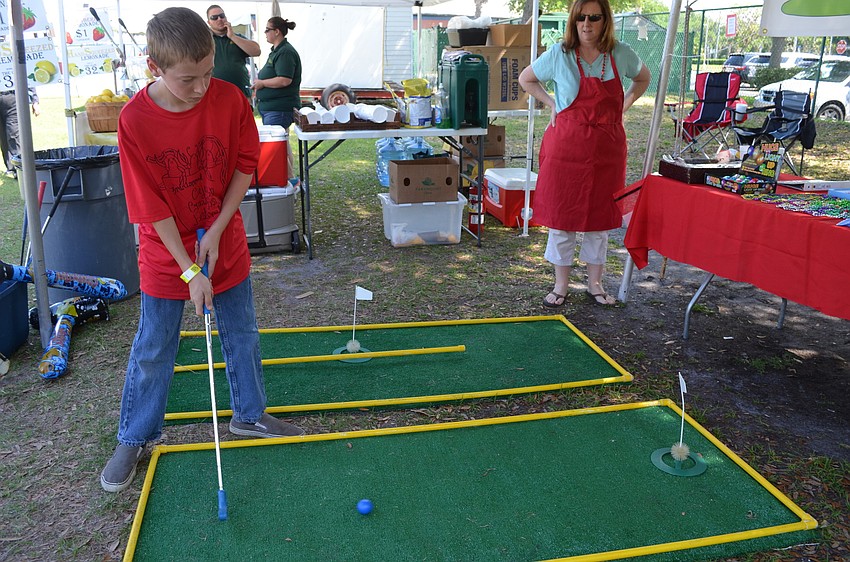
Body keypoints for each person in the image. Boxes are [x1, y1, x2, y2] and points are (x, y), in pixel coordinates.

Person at [100, 7, 304, 494]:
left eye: (208, 73)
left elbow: (243, 165)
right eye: (188, 79)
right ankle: (135, 435)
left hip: (222, 236)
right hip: (165, 248)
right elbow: (150, 206)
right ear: (155, 68)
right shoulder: (133, 121)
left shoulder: (229, 99)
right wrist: (190, 269)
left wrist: (215, 230)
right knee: (155, 346)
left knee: (243, 332)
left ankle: (250, 415)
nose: (200, 88)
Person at [518, 0, 650, 307]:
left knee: (599, 221)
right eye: (580, 17)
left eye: (594, 17)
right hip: (566, 148)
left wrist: (624, 104)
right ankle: (560, 285)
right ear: (573, 21)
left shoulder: (621, 53)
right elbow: (527, 79)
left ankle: (595, 283)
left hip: (607, 151)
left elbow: (643, 79)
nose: (586, 24)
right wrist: (552, 104)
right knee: (562, 219)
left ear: (605, 20)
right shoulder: (559, 54)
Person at [253, 16, 302, 186]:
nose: (265, 33)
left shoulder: (285, 52)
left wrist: (262, 83)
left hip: (280, 109)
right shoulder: (277, 50)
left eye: (267, 29)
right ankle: (292, 179)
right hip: (273, 108)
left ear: (277, 32)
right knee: (282, 142)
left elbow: (284, 80)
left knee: (276, 146)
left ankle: (290, 180)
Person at [206, 4, 261, 99]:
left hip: (240, 92)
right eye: (214, 17)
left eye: (222, 16)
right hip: (215, 94)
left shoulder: (237, 37)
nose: (219, 19)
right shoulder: (205, 40)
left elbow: (256, 51)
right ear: (209, 22)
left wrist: (232, 36)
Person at [0, 87, 40, 179]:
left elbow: (28, 80)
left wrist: (35, 101)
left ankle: (18, 167)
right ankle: (11, 168)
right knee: (3, 137)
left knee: (14, 135)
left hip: (12, 97)